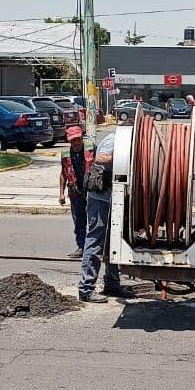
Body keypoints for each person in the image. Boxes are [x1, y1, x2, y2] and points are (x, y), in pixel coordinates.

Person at [78, 131, 131, 303]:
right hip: (100, 199)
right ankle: (85, 289)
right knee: (95, 242)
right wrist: (124, 156)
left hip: (113, 199)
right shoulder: (115, 140)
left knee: (113, 243)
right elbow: (100, 158)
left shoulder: (125, 138)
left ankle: (112, 284)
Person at [58, 126, 92, 260]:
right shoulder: (65, 154)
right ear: (69, 141)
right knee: (79, 221)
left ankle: (94, 248)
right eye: (73, 141)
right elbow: (63, 174)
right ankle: (81, 247)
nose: (77, 143)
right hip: (75, 192)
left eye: (78, 139)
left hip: (92, 191)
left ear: (82, 138)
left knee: (94, 221)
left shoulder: (91, 148)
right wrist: (61, 193)